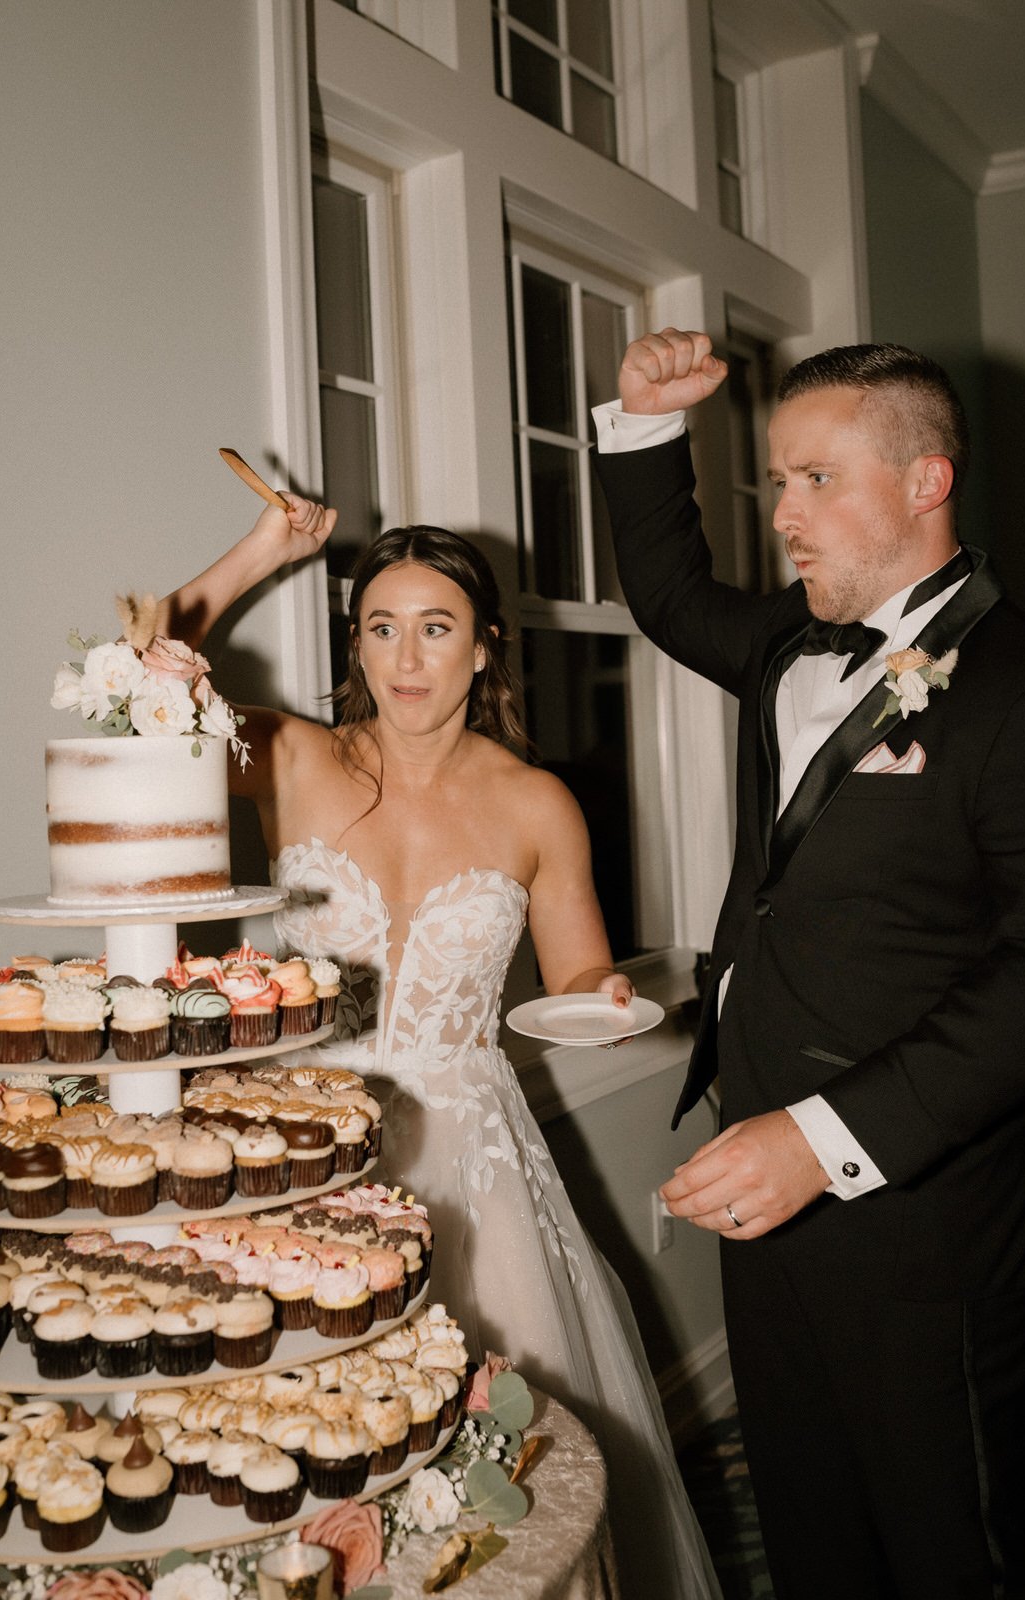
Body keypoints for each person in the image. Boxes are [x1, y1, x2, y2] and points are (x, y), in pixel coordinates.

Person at [159, 506, 721, 1600]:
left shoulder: (537, 803)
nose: (405, 658)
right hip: (304, 1149)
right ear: (355, 643)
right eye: (380, 627)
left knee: (490, 1470)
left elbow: (574, 980)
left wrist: (600, 994)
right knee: (294, 1439)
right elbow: (145, 687)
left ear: (484, 644)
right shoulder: (292, 757)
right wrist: (263, 552)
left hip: (473, 1158)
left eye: (434, 627)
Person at [592, 327, 1025, 1599]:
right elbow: (670, 592)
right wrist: (644, 424)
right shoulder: (790, 646)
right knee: (809, 1515)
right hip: (764, 1175)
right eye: (776, 482)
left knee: (954, 1539)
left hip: (926, 1214)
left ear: (926, 482)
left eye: (818, 481)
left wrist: (825, 1138)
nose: (785, 515)